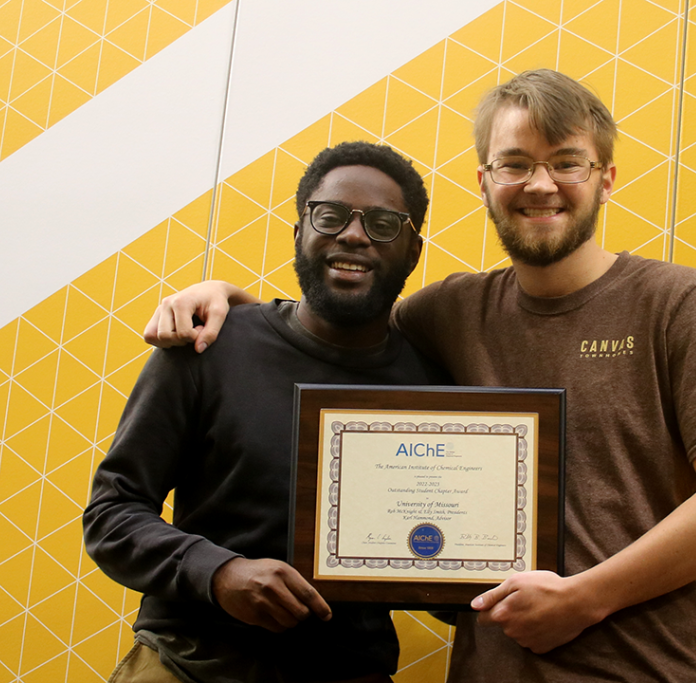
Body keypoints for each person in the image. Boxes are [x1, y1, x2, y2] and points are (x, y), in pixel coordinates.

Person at [142, 70, 696, 682]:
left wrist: (586, 598)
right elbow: (332, 327)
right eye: (515, 163)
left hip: (649, 670)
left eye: (566, 162)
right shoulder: (450, 311)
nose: (540, 184)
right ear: (484, 180)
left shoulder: (679, 303)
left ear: (605, 177)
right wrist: (228, 297)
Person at [83, 141, 450, 683]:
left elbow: (448, 564)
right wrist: (219, 573)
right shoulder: (210, 349)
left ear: (413, 251)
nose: (353, 234)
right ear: (299, 233)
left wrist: (463, 579)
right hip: (188, 661)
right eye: (329, 216)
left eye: (382, 223)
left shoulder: (434, 385)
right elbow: (111, 514)